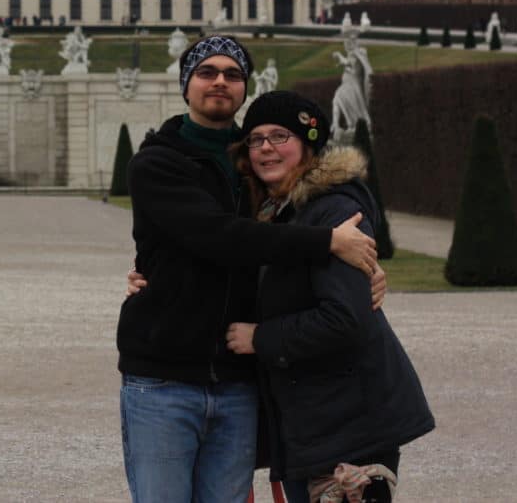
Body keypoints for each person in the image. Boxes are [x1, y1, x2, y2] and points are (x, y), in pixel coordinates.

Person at [118, 36, 382, 503]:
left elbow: (306, 213)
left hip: (239, 382)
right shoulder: (156, 163)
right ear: (186, 85)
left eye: (233, 74)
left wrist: (364, 271)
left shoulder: (259, 165)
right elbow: (218, 236)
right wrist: (329, 243)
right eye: (207, 71)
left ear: (244, 89)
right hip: (163, 380)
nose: (220, 81)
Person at [224, 91, 434, 502]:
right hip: (323, 418)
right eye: (256, 139)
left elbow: (344, 318)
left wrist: (259, 338)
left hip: (350, 426)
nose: (266, 147)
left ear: (308, 144)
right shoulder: (278, 211)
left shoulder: (335, 211)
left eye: (280, 136)